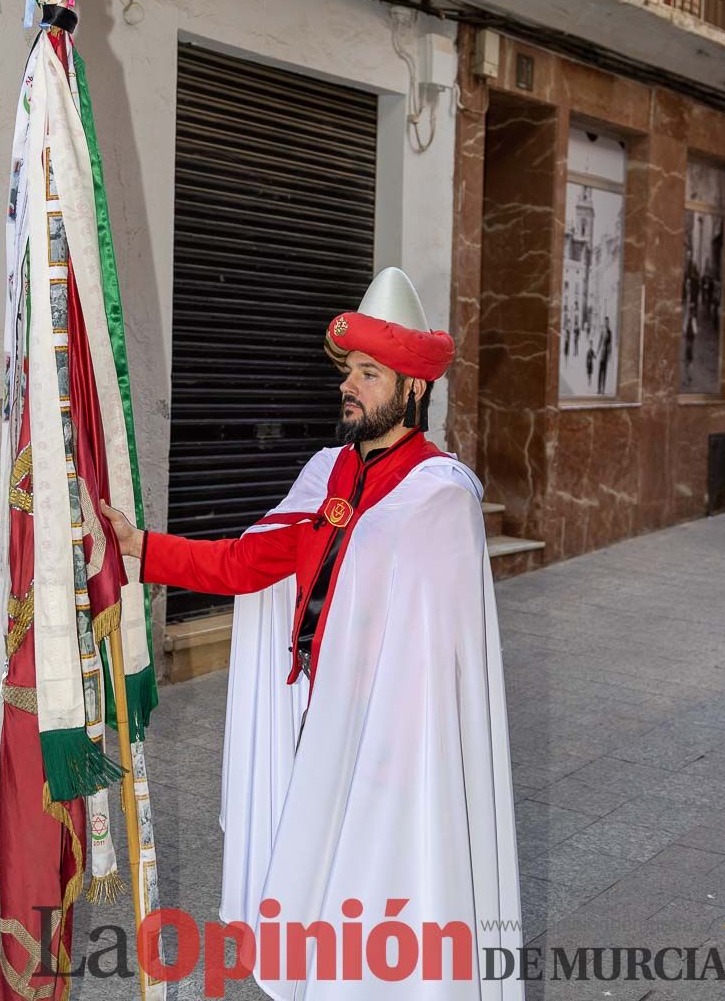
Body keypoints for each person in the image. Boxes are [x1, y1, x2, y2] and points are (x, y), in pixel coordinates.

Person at [104, 267, 524, 999]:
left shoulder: (440, 498)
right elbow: (249, 561)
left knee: (388, 906)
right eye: (348, 371)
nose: (348, 385)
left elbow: (435, 661)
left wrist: (388, 748)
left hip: (394, 750)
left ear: (414, 390)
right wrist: (140, 547)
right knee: (322, 904)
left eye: (369, 372)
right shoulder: (328, 473)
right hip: (315, 725)